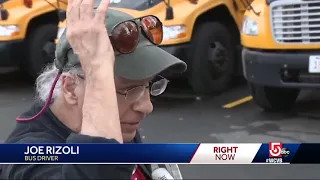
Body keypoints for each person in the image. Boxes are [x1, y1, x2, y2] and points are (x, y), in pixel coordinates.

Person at [0, 0, 187, 179]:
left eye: (149, 86)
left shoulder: (117, 126)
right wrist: (98, 69)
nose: (147, 106)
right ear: (71, 88)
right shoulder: (27, 157)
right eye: (129, 89)